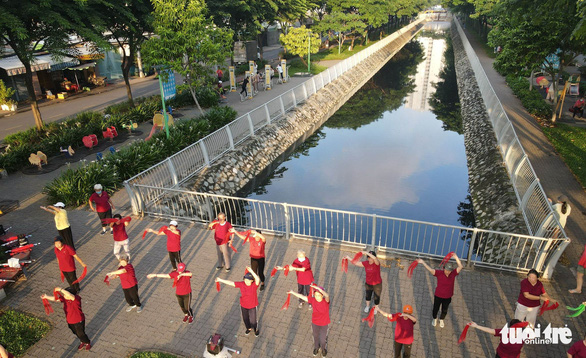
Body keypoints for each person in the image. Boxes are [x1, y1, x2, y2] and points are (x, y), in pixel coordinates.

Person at [416, 253, 463, 328]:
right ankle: (435, 318)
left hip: (448, 296)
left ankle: (441, 319)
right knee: (435, 309)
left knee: (445, 310)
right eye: (446, 270)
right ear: (444, 269)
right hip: (438, 295)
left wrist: (456, 257)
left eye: (449, 271)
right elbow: (431, 270)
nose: (448, 272)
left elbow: (460, 266)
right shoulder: (439, 273)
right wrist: (423, 263)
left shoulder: (453, 274)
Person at [216, 268, 261, 336]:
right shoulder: (242, 284)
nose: (246, 281)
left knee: (253, 320)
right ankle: (248, 328)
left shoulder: (254, 286)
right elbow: (231, 283)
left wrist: (251, 271)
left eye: (248, 280)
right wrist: (220, 280)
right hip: (243, 305)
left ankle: (255, 329)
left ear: (252, 281)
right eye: (245, 280)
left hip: (252, 306)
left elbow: (257, 279)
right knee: (245, 318)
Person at [288, 285, 330, 356]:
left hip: (324, 324)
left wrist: (318, 288)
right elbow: (302, 297)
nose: (317, 297)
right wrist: (292, 292)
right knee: (315, 336)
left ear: (322, 295)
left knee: (323, 340)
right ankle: (316, 347)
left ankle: (323, 349)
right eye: (316, 295)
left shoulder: (326, 302)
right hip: (315, 323)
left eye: (319, 295)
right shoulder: (313, 300)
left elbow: (327, 295)